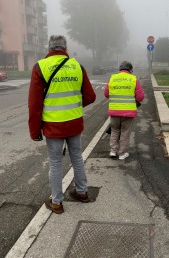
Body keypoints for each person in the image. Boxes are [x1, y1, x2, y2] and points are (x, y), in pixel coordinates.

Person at [28, 35, 96, 214]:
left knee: (56, 163)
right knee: (77, 158)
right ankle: (82, 193)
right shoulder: (77, 66)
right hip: (74, 124)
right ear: (65, 48)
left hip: (53, 126)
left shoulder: (40, 67)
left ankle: (57, 202)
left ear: (49, 48)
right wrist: (73, 106)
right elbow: (90, 96)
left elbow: (34, 105)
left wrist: (35, 131)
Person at [104, 61, 144, 160]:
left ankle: (113, 151)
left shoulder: (112, 78)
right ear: (130, 70)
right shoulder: (133, 79)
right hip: (128, 112)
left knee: (115, 131)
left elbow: (106, 93)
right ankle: (122, 153)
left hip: (114, 111)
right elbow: (140, 97)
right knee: (125, 133)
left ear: (120, 69)